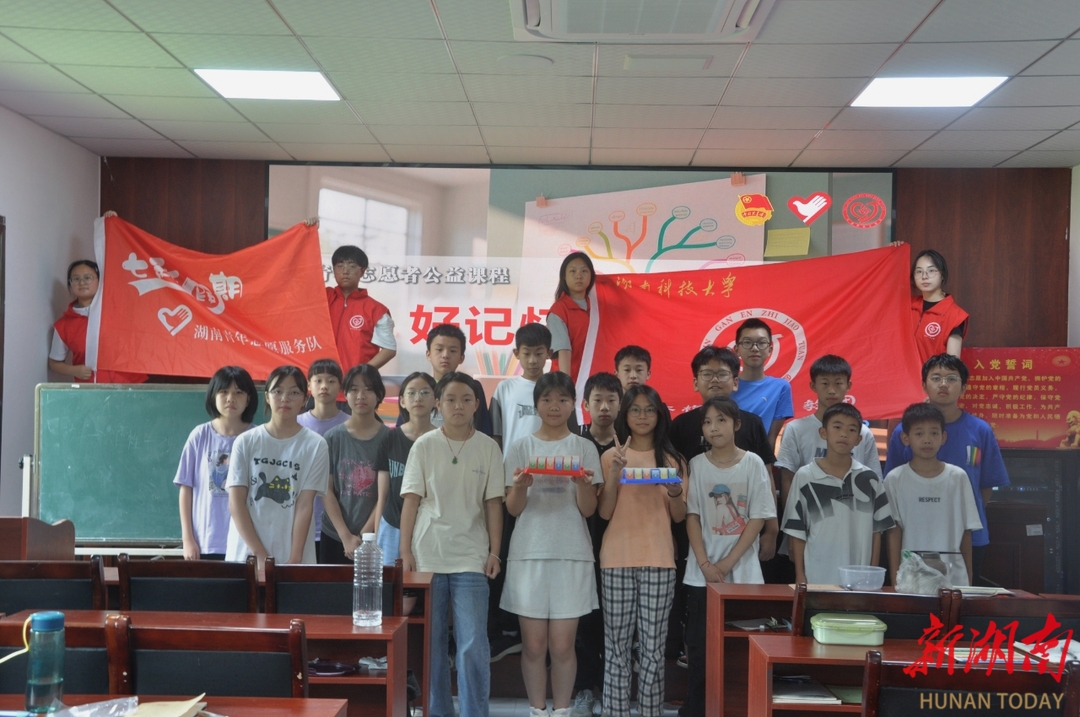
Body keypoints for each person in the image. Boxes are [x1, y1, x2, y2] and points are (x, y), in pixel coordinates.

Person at [399, 372, 503, 717]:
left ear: (476, 405)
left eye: (466, 399)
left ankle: (475, 712)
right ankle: (439, 711)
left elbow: (493, 504)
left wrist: (494, 551)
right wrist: (405, 552)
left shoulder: (488, 447)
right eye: (450, 399)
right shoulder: (424, 445)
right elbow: (411, 502)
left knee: (472, 643)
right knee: (432, 644)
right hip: (427, 554)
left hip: (472, 556)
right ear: (438, 404)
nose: (458, 406)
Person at [502, 372, 604, 717]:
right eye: (547, 399)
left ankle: (561, 711)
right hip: (528, 553)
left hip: (571, 553)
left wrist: (583, 485)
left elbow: (588, 510)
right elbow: (513, 509)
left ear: (573, 404)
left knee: (562, 646)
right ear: (536, 405)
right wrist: (520, 487)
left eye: (562, 399)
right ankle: (537, 710)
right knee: (533, 646)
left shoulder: (583, 447)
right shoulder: (521, 447)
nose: (554, 406)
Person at [598, 385, 687, 717]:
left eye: (649, 410)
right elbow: (604, 512)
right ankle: (616, 712)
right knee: (616, 648)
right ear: (625, 415)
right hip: (616, 559)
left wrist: (675, 491)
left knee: (652, 649)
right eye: (635, 409)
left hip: (660, 559)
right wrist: (614, 472)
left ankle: (650, 712)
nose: (642, 416)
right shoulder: (611, 456)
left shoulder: (674, 460)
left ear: (660, 415)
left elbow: (679, 516)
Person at [683, 396, 774, 717]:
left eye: (721, 420)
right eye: (707, 422)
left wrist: (726, 563)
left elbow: (758, 518)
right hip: (701, 577)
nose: (713, 427)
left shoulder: (753, 464)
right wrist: (705, 564)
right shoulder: (696, 464)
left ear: (737, 424)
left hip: (744, 575)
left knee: (741, 650)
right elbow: (692, 516)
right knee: (700, 650)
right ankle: (697, 710)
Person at [884, 354, 1009, 585]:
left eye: (951, 378)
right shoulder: (904, 431)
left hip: (967, 536)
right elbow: (894, 491)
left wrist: (959, 518)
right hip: (915, 537)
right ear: (924, 385)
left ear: (963, 387)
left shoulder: (980, 430)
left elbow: (985, 486)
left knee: (961, 596)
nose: (943, 384)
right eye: (936, 378)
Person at [226, 365, 329, 568]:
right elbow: (236, 502)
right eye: (278, 391)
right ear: (267, 396)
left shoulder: (316, 445)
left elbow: (305, 504)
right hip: (246, 554)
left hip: (293, 555)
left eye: (294, 393)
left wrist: (295, 559)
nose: (285, 398)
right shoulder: (246, 442)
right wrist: (260, 555)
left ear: (305, 399)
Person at [782, 403, 895, 585]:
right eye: (837, 427)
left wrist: (871, 573)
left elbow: (877, 533)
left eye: (851, 429)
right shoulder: (805, 476)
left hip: (859, 579)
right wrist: (800, 574)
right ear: (823, 432)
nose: (844, 434)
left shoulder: (870, 479)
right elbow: (797, 531)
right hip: (816, 576)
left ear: (859, 439)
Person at [571, 371, 623, 717]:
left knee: (614, 622)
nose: (604, 407)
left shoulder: (630, 445)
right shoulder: (575, 443)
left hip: (621, 545)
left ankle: (611, 688)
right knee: (584, 621)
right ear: (585, 405)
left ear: (620, 404)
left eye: (611, 400)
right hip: (580, 544)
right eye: (598, 400)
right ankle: (584, 689)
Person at [885, 403, 982, 587]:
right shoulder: (894, 479)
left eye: (934, 433)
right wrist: (895, 581)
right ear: (905, 438)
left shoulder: (958, 477)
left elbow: (966, 532)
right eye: (919, 434)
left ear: (943, 437)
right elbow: (894, 532)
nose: (927, 440)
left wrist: (968, 582)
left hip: (953, 579)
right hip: (910, 580)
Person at [776, 354, 883, 515]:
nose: (832, 390)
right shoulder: (795, 429)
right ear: (813, 386)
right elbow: (787, 479)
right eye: (825, 383)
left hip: (854, 516)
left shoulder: (863, 433)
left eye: (838, 383)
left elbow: (874, 480)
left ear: (848, 385)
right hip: (809, 514)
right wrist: (791, 520)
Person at [174, 365, 258, 560]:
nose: (230, 398)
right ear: (213, 396)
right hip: (205, 542)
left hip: (245, 542)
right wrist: (188, 539)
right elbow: (186, 489)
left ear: (248, 399)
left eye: (238, 392)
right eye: (224, 391)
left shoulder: (257, 438)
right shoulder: (199, 435)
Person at [320, 365, 390, 564]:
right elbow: (326, 490)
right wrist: (345, 536)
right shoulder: (332, 437)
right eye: (354, 389)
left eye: (368, 389)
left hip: (373, 536)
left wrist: (364, 535)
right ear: (345, 394)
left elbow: (386, 495)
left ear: (379, 395)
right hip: (334, 534)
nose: (361, 396)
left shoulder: (389, 439)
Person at [48, 258, 147, 383]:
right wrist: (74, 370)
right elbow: (54, 362)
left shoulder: (120, 311)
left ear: (99, 281)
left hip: (130, 386)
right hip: (91, 389)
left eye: (88, 277)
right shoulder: (64, 325)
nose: (82, 282)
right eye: (76, 279)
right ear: (70, 284)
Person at [375, 371, 437, 565]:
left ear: (436, 400)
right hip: (392, 525)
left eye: (425, 392)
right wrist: (377, 535)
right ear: (402, 401)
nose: (418, 398)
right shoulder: (390, 438)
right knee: (392, 581)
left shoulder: (442, 441)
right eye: (411, 393)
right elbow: (383, 495)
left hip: (430, 528)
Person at [399, 323, 493, 435]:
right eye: (439, 349)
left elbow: (483, 428)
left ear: (461, 357)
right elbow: (403, 427)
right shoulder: (417, 386)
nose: (445, 355)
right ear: (428, 354)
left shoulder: (472, 387)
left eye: (453, 351)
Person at [297, 358, 349, 552]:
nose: (324, 386)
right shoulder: (295, 424)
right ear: (309, 385)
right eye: (318, 380)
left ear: (340, 386)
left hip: (341, 525)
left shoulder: (350, 424)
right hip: (300, 520)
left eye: (331, 381)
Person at [327, 245, 397, 369]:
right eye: (340, 266)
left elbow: (389, 349)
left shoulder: (376, 310)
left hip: (357, 381)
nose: (345, 271)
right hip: (323, 379)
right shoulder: (323, 299)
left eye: (352, 266)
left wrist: (362, 372)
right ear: (333, 270)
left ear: (363, 271)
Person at [730, 318, 793, 448]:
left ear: (770, 349)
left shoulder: (780, 388)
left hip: (761, 457)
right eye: (747, 342)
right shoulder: (727, 385)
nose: (754, 348)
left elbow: (771, 438)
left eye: (761, 343)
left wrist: (767, 460)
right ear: (737, 349)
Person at [491, 323, 551, 449]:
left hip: (548, 460)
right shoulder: (504, 389)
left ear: (548, 353)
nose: (532, 360)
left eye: (539, 353)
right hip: (512, 460)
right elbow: (495, 435)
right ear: (516, 353)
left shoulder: (556, 391)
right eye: (527, 353)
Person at [911, 249, 968, 363]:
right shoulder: (906, 306)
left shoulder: (955, 316)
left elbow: (952, 365)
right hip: (902, 374)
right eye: (919, 271)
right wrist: (893, 251)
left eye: (931, 271)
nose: (924, 276)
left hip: (932, 375)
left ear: (942, 275)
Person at [548, 252, 596, 382]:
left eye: (584, 271)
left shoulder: (597, 308)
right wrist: (567, 387)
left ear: (591, 275)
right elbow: (563, 351)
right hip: (565, 382)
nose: (579, 276)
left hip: (592, 382)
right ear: (564, 276)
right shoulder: (559, 310)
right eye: (573, 271)